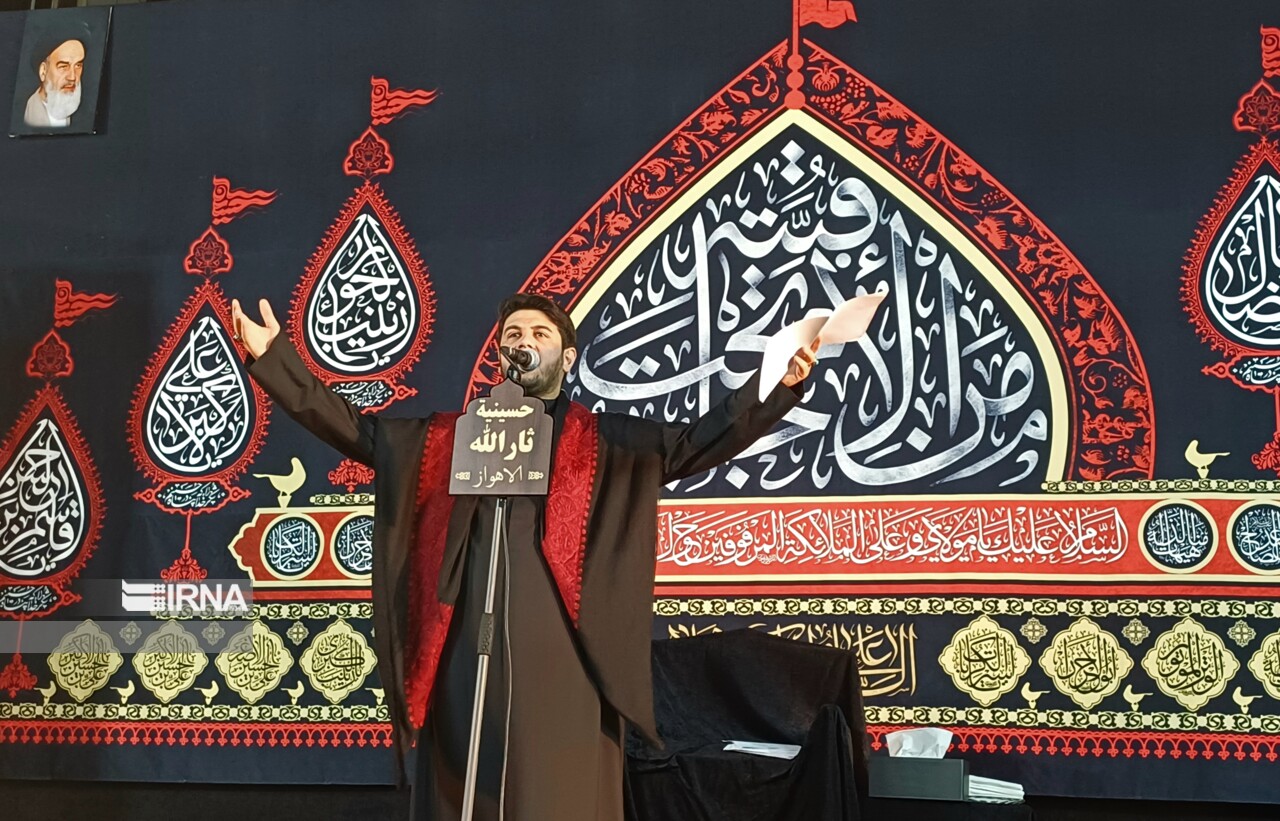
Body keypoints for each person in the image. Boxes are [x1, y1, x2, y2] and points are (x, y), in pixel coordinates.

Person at [231, 293, 819, 820]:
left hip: (564, 653)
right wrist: (276, 362)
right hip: (465, 647)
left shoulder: (606, 444)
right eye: (513, 334)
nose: (523, 341)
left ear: (567, 358)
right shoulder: (453, 438)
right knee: (462, 784)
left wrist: (777, 388)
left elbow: (698, 440)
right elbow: (359, 432)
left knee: (554, 791)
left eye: (539, 333)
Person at [23, 33, 86, 129]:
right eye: (63, 67)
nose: (72, 77)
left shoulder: (82, 113)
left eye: (78, 66)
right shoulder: (30, 114)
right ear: (43, 71)